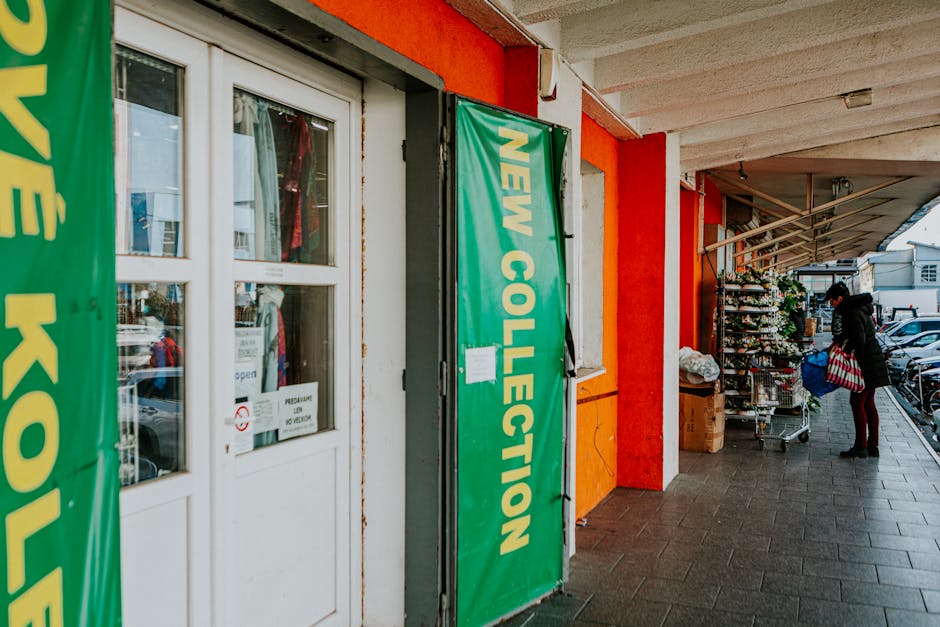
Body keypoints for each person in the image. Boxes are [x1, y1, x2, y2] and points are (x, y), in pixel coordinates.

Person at [826, 282, 890, 458]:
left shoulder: (850, 311)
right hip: (874, 359)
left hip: (866, 361)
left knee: (857, 402)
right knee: (868, 403)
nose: (832, 305)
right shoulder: (861, 308)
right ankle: (873, 445)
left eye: (832, 301)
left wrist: (845, 350)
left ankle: (861, 446)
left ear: (839, 298)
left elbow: (859, 339)